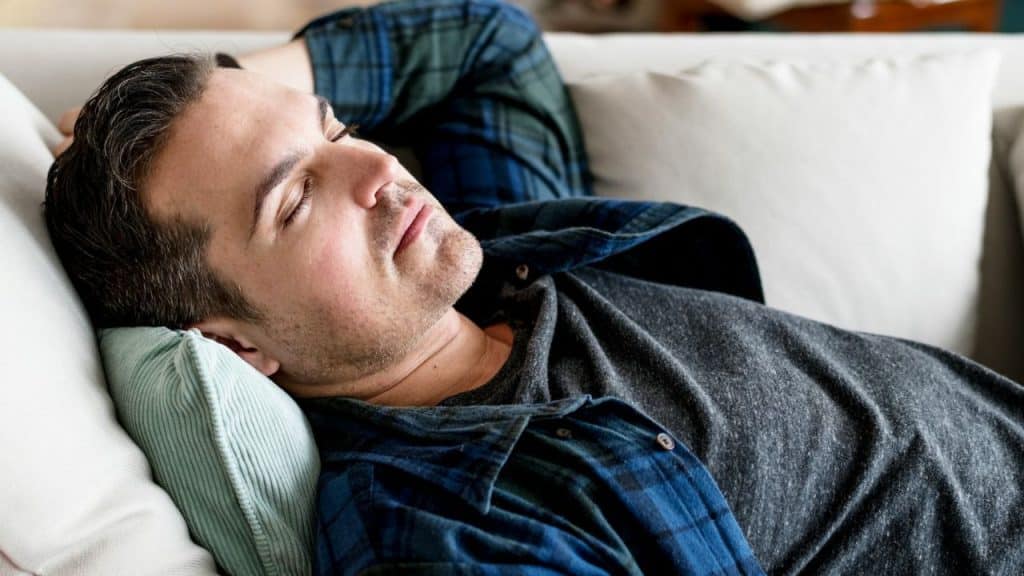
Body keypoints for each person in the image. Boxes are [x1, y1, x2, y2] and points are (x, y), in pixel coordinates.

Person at [44, 0, 1024, 574]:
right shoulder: (447, 526)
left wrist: (230, 95)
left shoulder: (495, 262)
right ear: (235, 347)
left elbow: (489, 45)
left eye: (336, 129)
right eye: (296, 199)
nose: (378, 170)